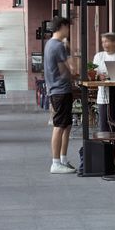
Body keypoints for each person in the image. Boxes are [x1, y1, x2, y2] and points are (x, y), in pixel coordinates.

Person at [43, 16, 77, 174]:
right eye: (67, 27)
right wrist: (70, 51)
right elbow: (71, 69)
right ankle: (55, 163)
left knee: (66, 125)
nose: (68, 31)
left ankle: (62, 159)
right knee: (59, 126)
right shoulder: (58, 46)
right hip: (61, 90)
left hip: (56, 89)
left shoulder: (49, 44)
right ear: (62, 27)